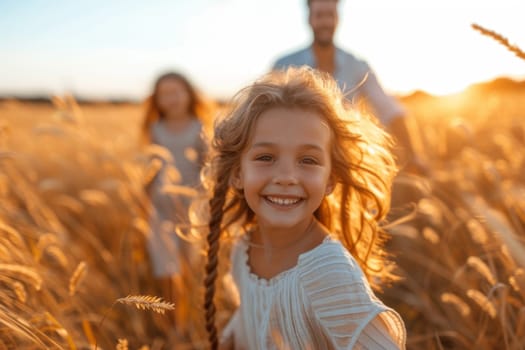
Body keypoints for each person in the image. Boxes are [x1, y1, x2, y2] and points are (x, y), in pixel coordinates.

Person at [201, 66, 406, 349]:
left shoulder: (329, 273)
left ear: (331, 179)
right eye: (265, 157)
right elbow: (252, 317)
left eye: (308, 160)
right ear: (237, 173)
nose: (286, 177)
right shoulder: (243, 249)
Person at [273, 0, 420, 171]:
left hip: (342, 158)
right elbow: (261, 113)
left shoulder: (357, 65)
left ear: (338, 19)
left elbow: (390, 110)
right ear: (309, 19)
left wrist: (414, 156)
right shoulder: (284, 64)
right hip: (292, 158)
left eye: (330, 15)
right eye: (319, 15)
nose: (325, 22)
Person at [141, 71, 210, 327]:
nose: (171, 99)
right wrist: (143, 201)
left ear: (189, 94)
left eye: (176, 92)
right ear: (156, 100)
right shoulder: (155, 128)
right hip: (160, 209)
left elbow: (208, 167)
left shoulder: (199, 127)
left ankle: (190, 321)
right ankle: (172, 324)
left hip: (191, 210)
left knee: (189, 267)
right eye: (164, 94)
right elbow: (151, 168)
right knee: (166, 269)